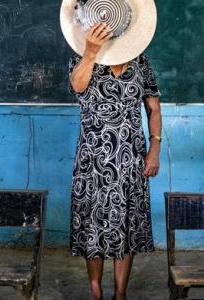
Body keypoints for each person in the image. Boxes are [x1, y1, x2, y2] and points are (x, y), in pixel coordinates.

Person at [68, 22, 163, 300]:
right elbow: (78, 86)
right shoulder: (80, 56)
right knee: (92, 227)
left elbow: (153, 108)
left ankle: (120, 293)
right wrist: (90, 52)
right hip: (93, 161)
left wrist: (154, 148)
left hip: (131, 158)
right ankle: (95, 290)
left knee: (129, 225)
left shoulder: (140, 62)